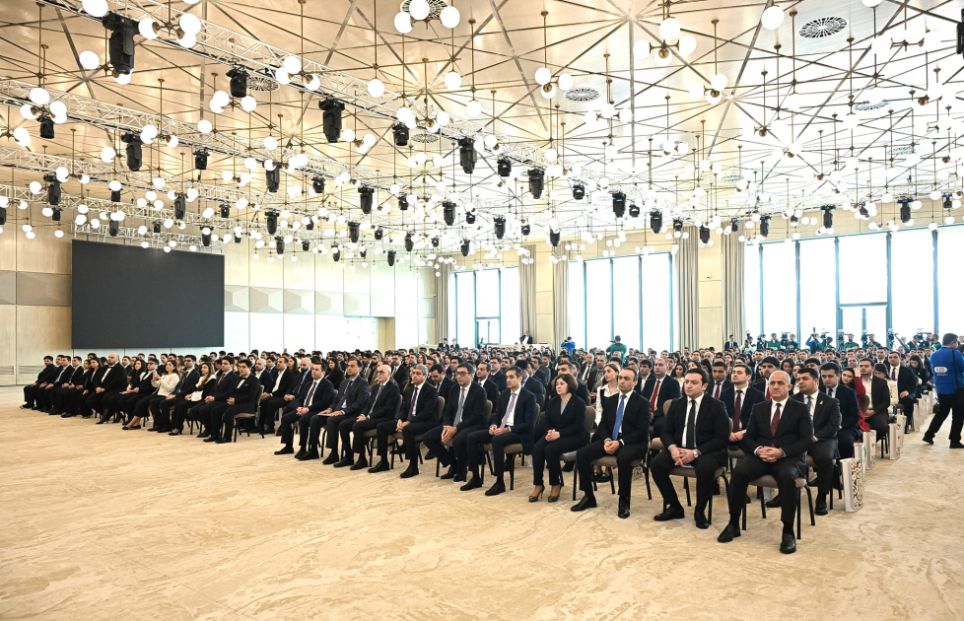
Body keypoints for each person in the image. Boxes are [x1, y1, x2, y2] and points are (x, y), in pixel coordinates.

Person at [718, 371, 813, 555]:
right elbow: (748, 437)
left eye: (780, 383)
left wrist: (781, 452)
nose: (775, 386)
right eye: (772, 383)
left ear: (789, 386)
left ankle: (788, 531)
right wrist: (758, 450)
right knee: (739, 472)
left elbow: (806, 440)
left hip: (787, 458)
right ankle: (733, 523)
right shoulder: (759, 407)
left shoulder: (800, 409)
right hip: (760, 456)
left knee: (787, 478)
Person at [650, 368, 730, 529]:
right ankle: (675, 507)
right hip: (679, 448)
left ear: (704, 386)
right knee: (656, 465)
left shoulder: (716, 406)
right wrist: (672, 448)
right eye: (686, 382)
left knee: (705, 469)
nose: (688, 385)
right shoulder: (676, 404)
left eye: (694, 382)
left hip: (706, 451)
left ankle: (699, 511)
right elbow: (666, 432)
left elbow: (721, 438)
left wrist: (695, 452)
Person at [571, 368, 650, 518]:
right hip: (611, 439)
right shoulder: (610, 400)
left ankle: (624, 501)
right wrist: (607, 439)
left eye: (627, 378)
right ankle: (588, 496)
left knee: (623, 458)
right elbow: (603, 426)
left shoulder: (642, 403)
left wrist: (620, 442)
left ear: (635, 382)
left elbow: (641, 431)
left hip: (632, 443)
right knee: (582, 454)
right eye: (620, 378)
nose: (622, 381)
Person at [461, 367, 538, 493]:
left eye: (511, 377)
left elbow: (528, 424)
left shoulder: (529, 397)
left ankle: (500, 482)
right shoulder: (504, 394)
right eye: (507, 377)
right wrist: (493, 425)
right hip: (501, 429)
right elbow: (497, 415)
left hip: (518, 432)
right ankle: (476, 478)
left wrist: (507, 430)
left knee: (497, 440)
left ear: (520, 378)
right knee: (471, 437)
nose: (508, 380)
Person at [421, 362, 488, 482]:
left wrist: (457, 428)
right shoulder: (454, 388)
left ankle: (462, 471)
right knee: (428, 437)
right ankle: (453, 464)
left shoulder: (479, 391)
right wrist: (447, 426)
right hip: (453, 424)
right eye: (457, 374)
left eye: (463, 373)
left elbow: (477, 416)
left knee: (458, 439)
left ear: (471, 375)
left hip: (472, 425)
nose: (459, 376)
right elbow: (448, 411)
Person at [788, 367, 841, 515]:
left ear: (816, 380)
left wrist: (814, 438)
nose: (800, 382)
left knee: (825, 458)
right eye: (798, 379)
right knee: (784, 452)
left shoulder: (831, 401)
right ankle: (785, 492)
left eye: (805, 379)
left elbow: (833, 426)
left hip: (822, 439)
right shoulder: (792, 400)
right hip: (799, 439)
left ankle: (822, 497)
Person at [338, 365, 401, 470]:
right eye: (378, 372)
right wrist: (363, 414)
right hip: (370, 417)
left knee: (357, 426)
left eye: (382, 372)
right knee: (343, 425)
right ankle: (348, 456)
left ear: (389, 374)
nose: (378, 374)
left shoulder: (393, 388)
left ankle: (362, 459)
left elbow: (388, 409)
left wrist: (368, 417)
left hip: (384, 418)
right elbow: (368, 405)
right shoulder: (375, 387)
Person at [276, 362, 335, 456]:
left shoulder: (327, 384)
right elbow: (300, 398)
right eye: (312, 369)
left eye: (317, 370)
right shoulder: (308, 384)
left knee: (303, 420)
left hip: (316, 410)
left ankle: (303, 448)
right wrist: (299, 407)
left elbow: (324, 402)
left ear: (323, 372)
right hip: (304, 409)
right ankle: (288, 447)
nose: (313, 371)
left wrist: (308, 408)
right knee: (285, 418)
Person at [319, 358, 371, 463]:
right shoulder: (344, 382)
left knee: (334, 421)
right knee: (318, 417)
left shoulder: (363, 383)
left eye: (352, 366)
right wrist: (330, 408)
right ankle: (329, 452)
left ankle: (339, 454)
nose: (349, 368)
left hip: (353, 413)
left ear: (360, 368)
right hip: (340, 411)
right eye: (348, 366)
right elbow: (336, 400)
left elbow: (359, 403)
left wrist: (343, 411)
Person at [396, 365, 440, 478]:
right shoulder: (409, 390)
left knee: (408, 429)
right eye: (413, 373)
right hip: (412, 421)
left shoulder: (431, 390)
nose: (414, 375)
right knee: (384, 426)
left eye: (418, 373)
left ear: (425, 376)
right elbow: (403, 408)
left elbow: (427, 412)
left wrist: (409, 421)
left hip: (427, 421)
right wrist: (400, 419)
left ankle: (413, 466)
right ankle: (383, 461)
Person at [924, 333, 964, 448]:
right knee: (958, 416)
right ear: (952, 342)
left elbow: (934, 371)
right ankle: (954, 441)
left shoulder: (934, 355)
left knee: (941, 413)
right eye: (956, 342)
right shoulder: (955, 353)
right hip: (956, 389)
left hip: (941, 389)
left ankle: (929, 435)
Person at [207, 358, 261, 444]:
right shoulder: (238, 378)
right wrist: (230, 399)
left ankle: (227, 437)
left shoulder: (254, 380)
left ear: (250, 368)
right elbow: (232, 392)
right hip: (235, 403)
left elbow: (251, 397)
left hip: (247, 405)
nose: (241, 369)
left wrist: (235, 400)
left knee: (228, 412)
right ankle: (215, 435)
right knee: (216, 410)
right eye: (239, 367)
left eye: (244, 367)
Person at [820, 362, 860, 458]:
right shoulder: (817, 391)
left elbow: (854, 416)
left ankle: (841, 465)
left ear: (838, 375)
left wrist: (837, 426)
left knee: (845, 442)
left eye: (830, 376)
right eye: (823, 376)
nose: (826, 379)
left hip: (844, 427)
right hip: (820, 428)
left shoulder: (849, 392)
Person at [720, 363, 765, 442]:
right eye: (733, 372)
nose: (735, 375)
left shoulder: (758, 395)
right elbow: (720, 418)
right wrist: (728, 433)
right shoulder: (724, 394)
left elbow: (761, 421)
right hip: (726, 436)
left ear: (748, 377)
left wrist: (743, 433)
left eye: (739, 373)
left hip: (749, 436)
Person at [644, 358, 681, 436]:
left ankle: (655, 443)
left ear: (667, 367)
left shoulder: (673, 383)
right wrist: (647, 412)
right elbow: (643, 399)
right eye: (656, 365)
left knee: (659, 425)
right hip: (647, 412)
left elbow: (673, 404)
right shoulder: (649, 381)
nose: (657, 367)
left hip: (662, 414)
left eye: (660, 365)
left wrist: (654, 414)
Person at [858, 358, 891, 439]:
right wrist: (860, 411)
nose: (863, 368)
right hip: (858, 411)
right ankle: (861, 443)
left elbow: (886, 402)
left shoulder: (881, 382)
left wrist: (873, 411)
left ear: (872, 368)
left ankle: (870, 442)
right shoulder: (854, 382)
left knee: (882, 427)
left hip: (876, 411)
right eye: (861, 366)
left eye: (866, 366)